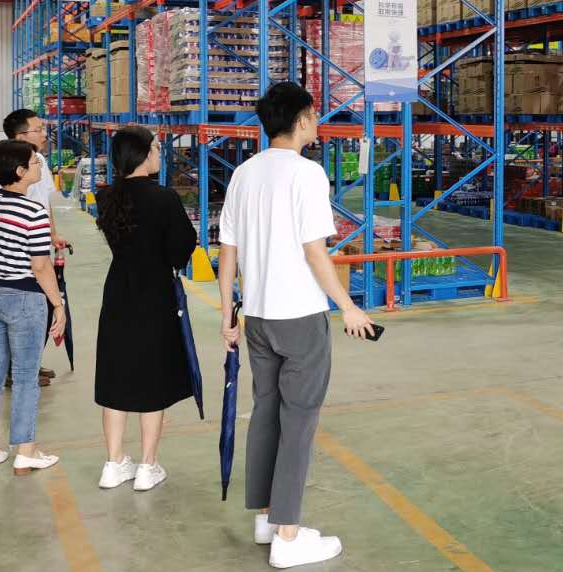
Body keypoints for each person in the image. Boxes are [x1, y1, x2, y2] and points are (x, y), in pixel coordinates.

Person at [217, 82, 375, 569]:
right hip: (300, 316)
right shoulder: (307, 174)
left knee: (267, 412)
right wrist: (347, 306)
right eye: (314, 114)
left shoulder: (244, 174)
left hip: (258, 316)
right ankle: (288, 535)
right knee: (299, 422)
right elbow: (314, 252)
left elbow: (227, 252)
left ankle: (267, 518)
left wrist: (227, 316)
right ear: (302, 119)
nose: (317, 121)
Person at [93, 126, 199, 492]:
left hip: (118, 292)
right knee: (152, 378)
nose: (159, 152)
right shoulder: (163, 198)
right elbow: (183, 246)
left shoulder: (105, 197)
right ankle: (147, 466)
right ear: (142, 154)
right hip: (155, 294)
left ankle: (113, 462)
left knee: (115, 375)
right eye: (155, 147)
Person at [0, 140, 65, 474]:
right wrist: (58, 304)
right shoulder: (33, 212)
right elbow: (41, 266)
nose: (40, 166)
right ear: (20, 171)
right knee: (24, 376)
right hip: (22, 296)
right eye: (35, 162)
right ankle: (26, 451)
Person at [0, 109, 66, 385]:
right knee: (25, 311)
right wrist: (5, 220)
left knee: (41, 312)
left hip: (37, 242)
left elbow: (44, 201)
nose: (44, 134)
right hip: (20, 257)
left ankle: (30, 363)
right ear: (21, 137)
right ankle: (14, 371)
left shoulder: (39, 162)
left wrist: (52, 233)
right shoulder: (10, 164)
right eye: (38, 129)